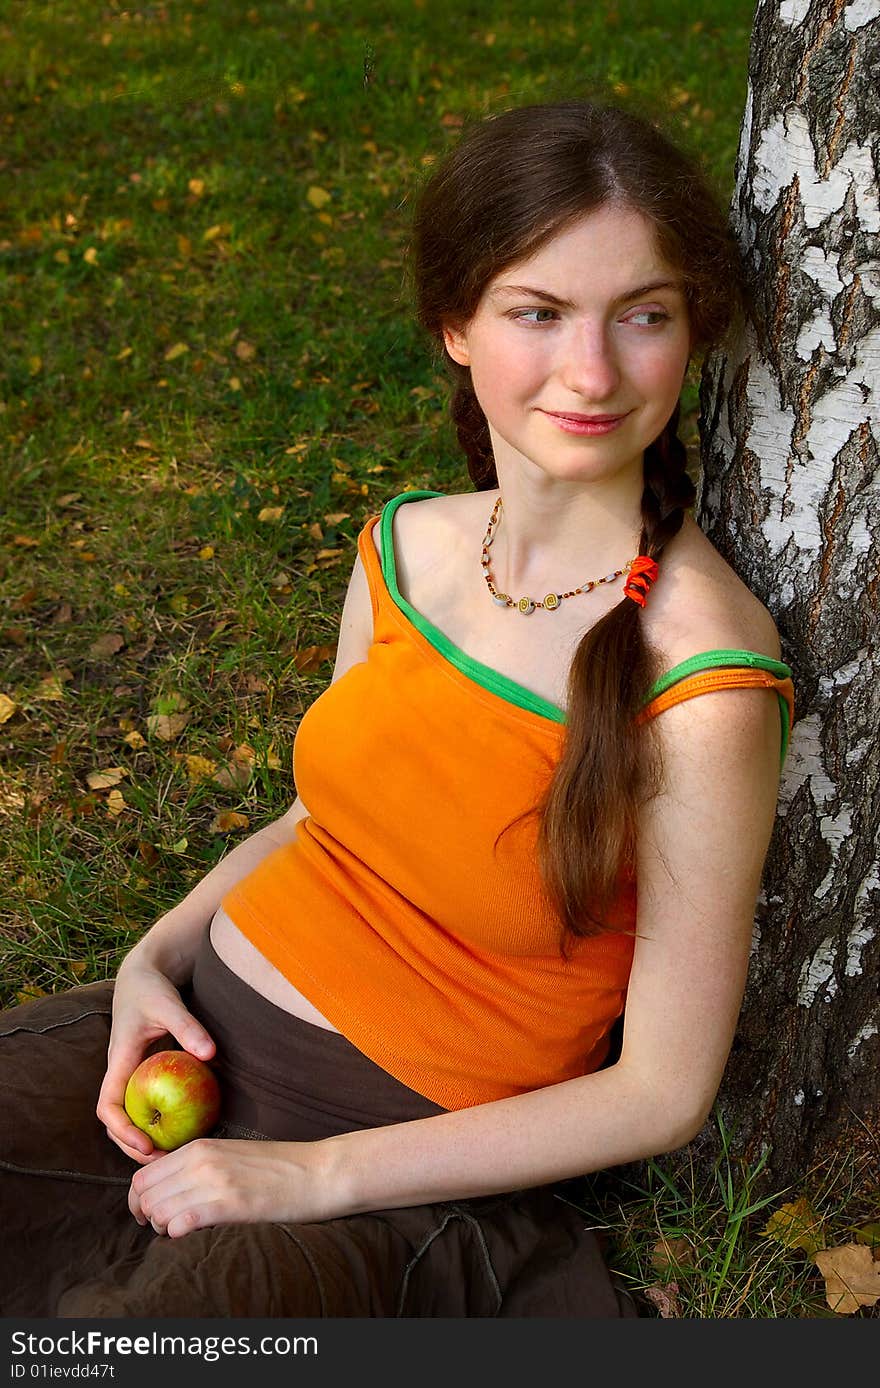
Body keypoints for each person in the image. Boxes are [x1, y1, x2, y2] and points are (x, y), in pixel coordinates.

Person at [0, 98, 795, 1319]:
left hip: (398, 1152)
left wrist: (314, 1175)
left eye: (643, 316)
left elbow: (660, 1092)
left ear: (691, 335)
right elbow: (324, 819)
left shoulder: (700, 675)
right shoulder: (404, 546)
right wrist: (150, 951)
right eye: (538, 313)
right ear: (455, 328)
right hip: (191, 1031)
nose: (592, 372)